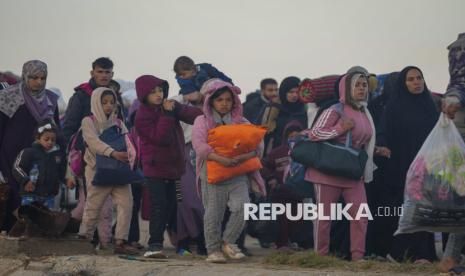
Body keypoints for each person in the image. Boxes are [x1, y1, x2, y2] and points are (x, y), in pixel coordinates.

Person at [305, 72, 378, 261]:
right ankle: (320, 257)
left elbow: (360, 141)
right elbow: (314, 133)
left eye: (364, 85)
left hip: (352, 173)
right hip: (327, 172)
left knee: (361, 215)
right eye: (357, 85)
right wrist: (340, 128)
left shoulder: (365, 113)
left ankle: (357, 257)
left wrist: (376, 149)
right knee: (324, 218)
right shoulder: (336, 109)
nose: (362, 88)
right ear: (346, 89)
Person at [192, 79, 266, 263]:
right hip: (212, 174)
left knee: (243, 207)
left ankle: (228, 242)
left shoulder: (242, 122)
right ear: (211, 102)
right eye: (220, 100)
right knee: (213, 214)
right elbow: (199, 146)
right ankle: (213, 251)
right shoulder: (202, 121)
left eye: (228, 99)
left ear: (234, 102)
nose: (224, 103)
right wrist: (221, 159)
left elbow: (257, 146)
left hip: (237, 174)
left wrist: (242, 158)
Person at [135, 75, 202, 258]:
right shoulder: (141, 115)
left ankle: (181, 244)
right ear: (143, 95)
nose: (158, 94)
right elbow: (160, 138)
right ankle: (154, 246)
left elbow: (192, 116)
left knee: (174, 206)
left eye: (160, 90)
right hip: (155, 169)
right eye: (153, 92)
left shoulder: (170, 105)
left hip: (175, 169)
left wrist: (208, 115)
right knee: (159, 206)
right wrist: (168, 114)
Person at [376, 66, 438, 263]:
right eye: (410, 79)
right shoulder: (394, 106)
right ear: (403, 83)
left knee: (425, 208)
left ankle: (422, 253)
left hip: (426, 166)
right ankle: (399, 252)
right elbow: (384, 131)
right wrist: (383, 146)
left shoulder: (429, 105)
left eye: (419, 78)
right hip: (402, 166)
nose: (416, 82)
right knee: (405, 210)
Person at [63, 57, 122, 247]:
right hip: (86, 157)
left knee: (101, 202)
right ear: (92, 73)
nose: (104, 75)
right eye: (100, 72)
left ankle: (96, 238)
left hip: (111, 156)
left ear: (112, 74)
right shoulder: (81, 96)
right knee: (92, 201)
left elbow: (121, 125)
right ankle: (86, 237)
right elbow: (70, 128)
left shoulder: (114, 95)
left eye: (107, 72)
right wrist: (69, 161)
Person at [0, 60, 59, 232]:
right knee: (11, 195)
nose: (39, 82)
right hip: (10, 156)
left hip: (39, 158)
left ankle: (29, 235)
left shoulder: (51, 100)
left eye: (43, 78)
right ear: (25, 76)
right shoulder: (8, 97)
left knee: (35, 197)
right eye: (34, 77)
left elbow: (56, 131)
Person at [78, 87, 137, 255]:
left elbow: (128, 141)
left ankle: (120, 241)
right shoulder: (88, 121)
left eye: (112, 102)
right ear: (96, 103)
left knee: (126, 204)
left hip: (119, 172)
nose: (108, 106)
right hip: (98, 170)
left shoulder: (119, 123)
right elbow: (93, 142)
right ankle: (85, 238)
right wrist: (113, 153)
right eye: (104, 103)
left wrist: (129, 156)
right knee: (93, 206)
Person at [12, 120, 66, 210]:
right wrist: (25, 181)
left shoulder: (57, 156)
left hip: (49, 197)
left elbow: (61, 171)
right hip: (30, 195)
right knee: (28, 220)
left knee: (46, 221)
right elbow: (17, 167)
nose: (50, 142)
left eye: (53, 140)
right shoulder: (29, 152)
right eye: (46, 139)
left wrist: (66, 180)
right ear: (38, 138)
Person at [243, 78, 280, 157]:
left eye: (276, 90)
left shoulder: (279, 105)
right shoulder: (251, 106)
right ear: (262, 91)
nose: (274, 93)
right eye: (270, 90)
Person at [273, 76, 307, 148]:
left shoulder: (305, 110)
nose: (294, 95)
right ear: (284, 92)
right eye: (291, 92)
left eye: (297, 92)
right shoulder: (274, 109)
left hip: (301, 151)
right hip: (277, 152)